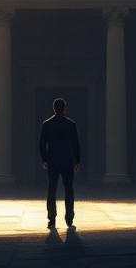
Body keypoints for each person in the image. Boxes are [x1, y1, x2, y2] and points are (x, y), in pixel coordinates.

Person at [39, 97, 81, 229]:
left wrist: (44, 159)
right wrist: (77, 160)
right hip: (67, 160)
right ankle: (69, 218)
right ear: (64, 109)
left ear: (54, 108)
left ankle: (52, 218)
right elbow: (76, 144)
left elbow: (41, 144)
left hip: (53, 160)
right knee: (69, 188)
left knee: (52, 189)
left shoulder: (47, 124)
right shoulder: (71, 124)